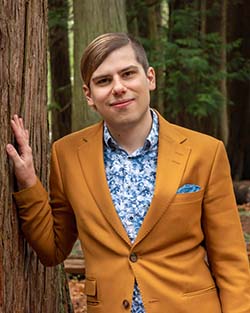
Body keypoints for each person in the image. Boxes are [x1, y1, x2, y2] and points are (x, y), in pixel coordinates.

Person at [6, 32, 250, 313]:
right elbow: (52, 249)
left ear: (150, 78)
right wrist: (28, 182)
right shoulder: (67, 155)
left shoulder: (205, 152)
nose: (118, 87)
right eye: (104, 80)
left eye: (128, 74)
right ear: (89, 95)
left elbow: (231, 262)